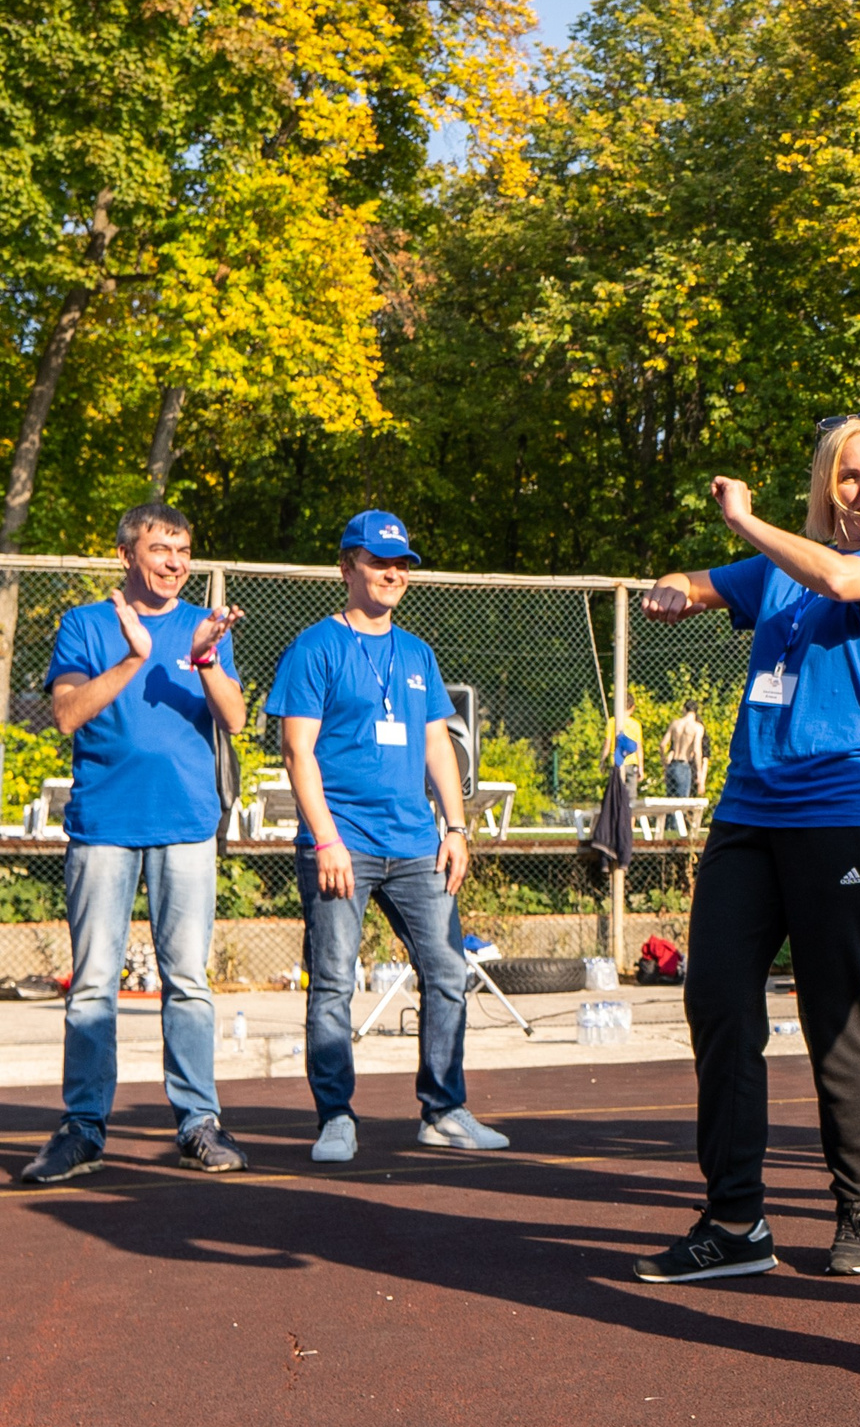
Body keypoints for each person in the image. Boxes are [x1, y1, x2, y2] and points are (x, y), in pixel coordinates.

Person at [629, 415, 860, 1282]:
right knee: (718, 999)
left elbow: (838, 577)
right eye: (848, 476)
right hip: (751, 812)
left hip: (847, 810)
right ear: (826, 488)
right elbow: (703, 583)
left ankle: (858, 1203)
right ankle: (734, 1221)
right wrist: (674, 587)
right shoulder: (774, 574)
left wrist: (744, 521)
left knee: (834, 1010)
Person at [17, 504, 247, 1184]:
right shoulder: (86, 624)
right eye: (161, 548)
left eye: (183, 550)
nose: (176, 562)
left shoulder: (202, 625)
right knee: (92, 987)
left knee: (190, 984)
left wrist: (204, 655)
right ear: (126, 555)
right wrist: (132, 658)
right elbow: (65, 714)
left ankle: (198, 1122)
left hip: (186, 828)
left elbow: (232, 717)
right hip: (104, 829)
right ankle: (84, 1128)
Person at [270, 511, 507, 1163]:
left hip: (416, 846)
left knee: (447, 970)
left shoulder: (418, 654)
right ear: (346, 566)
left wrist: (455, 827)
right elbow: (297, 751)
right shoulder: (315, 646)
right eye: (379, 561)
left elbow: (437, 743)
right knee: (332, 983)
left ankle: (444, 1111)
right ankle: (336, 1117)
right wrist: (325, 839)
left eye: (401, 563)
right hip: (341, 843)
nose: (393, 572)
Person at [660, 700, 705, 799]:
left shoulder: (675, 723)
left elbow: (663, 744)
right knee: (682, 802)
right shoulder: (697, 727)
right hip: (684, 764)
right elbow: (697, 750)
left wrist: (664, 763)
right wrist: (699, 771)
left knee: (670, 802)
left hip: (672, 764)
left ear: (684, 709)